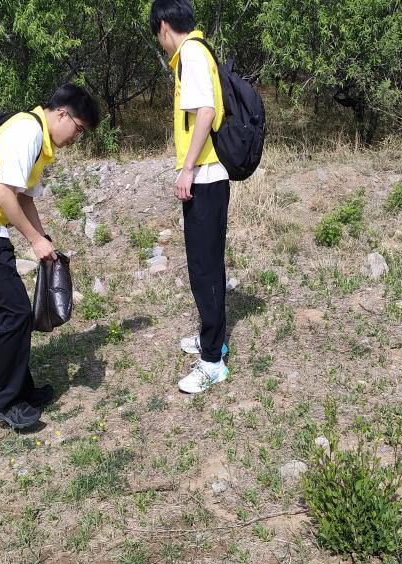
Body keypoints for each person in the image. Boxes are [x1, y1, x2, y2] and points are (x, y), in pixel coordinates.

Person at [0, 83, 100, 428]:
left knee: (9, 314)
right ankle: (6, 401)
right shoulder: (27, 132)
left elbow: (24, 197)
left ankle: (22, 389)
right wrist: (33, 240)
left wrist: (43, 239)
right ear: (62, 115)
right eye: (78, 129)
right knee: (15, 313)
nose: (77, 138)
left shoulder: (39, 138)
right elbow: (3, 194)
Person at [150, 0, 230, 393]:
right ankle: (212, 338)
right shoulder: (196, 51)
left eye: (158, 35)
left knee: (203, 268)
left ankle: (212, 362)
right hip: (208, 174)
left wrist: (187, 169)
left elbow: (206, 112)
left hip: (206, 176)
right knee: (208, 264)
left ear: (164, 26)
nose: (161, 42)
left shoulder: (192, 55)